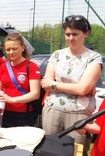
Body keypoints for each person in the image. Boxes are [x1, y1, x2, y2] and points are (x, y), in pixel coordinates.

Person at [40, 15, 102, 156]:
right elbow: (46, 83)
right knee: (49, 150)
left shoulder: (93, 57)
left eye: (75, 34)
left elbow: (82, 89)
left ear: (86, 33)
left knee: (76, 152)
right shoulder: (57, 55)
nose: (70, 38)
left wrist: (55, 84)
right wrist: (75, 86)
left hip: (79, 114)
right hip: (52, 110)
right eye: (67, 34)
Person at [0, 33, 41, 128]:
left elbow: (35, 94)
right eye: (8, 49)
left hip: (23, 116)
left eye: (14, 49)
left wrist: (12, 100)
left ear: (23, 47)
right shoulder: (3, 67)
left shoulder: (31, 67)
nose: (11, 52)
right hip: (4, 113)